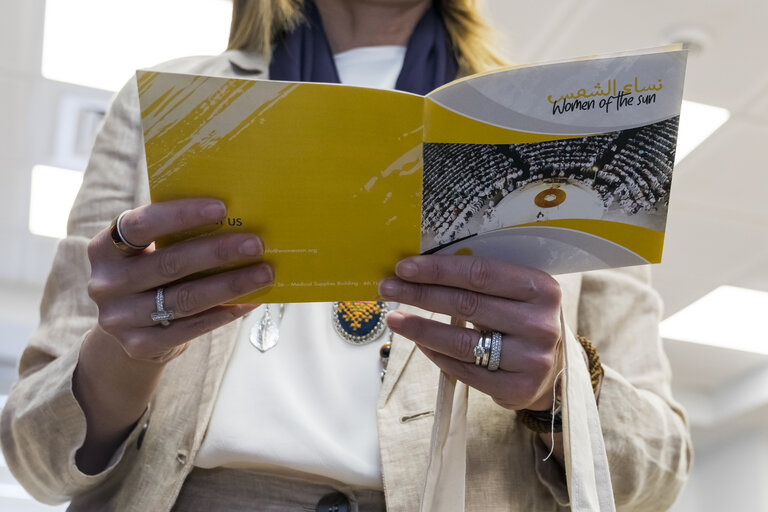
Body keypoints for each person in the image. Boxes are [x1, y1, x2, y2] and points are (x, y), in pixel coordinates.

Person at [0, 0, 690, 510]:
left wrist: (555, 393)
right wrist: (124, 351)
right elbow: (36, 455)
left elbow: (658, 472)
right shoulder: (163, 109)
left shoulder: (563, 127)